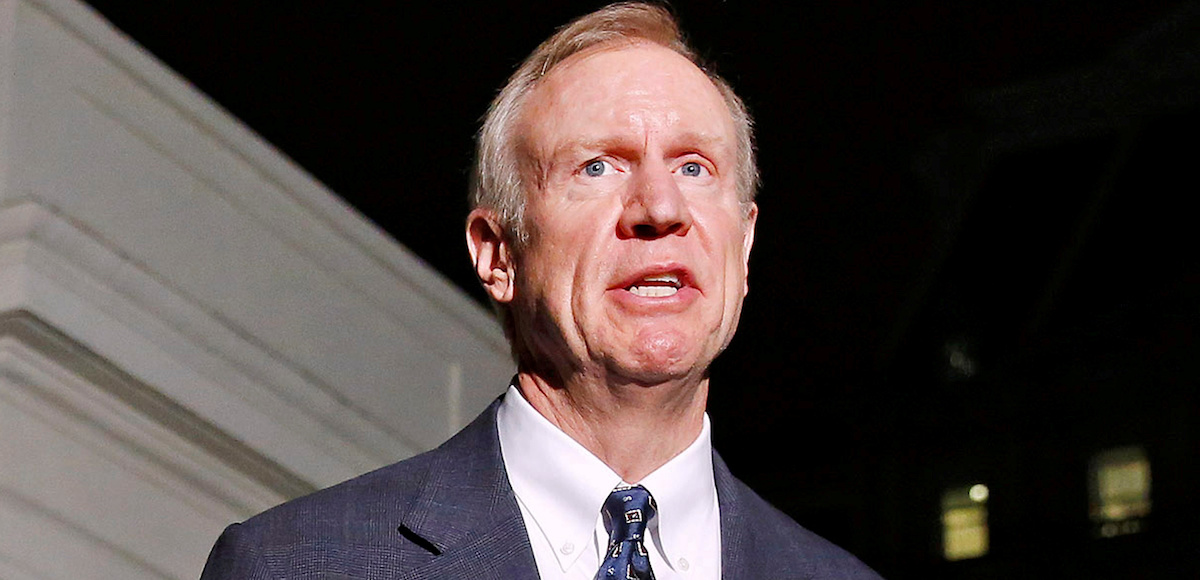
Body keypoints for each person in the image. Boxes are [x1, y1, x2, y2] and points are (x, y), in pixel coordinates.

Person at [201, 3, 883, 579]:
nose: (659, 206)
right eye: (596, 166)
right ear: (498, 255)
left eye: (696, 167)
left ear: (745, 244)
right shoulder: (294, 565)